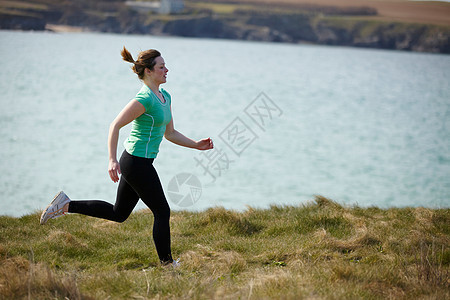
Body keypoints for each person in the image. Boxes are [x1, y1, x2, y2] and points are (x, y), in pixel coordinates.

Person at [40, 46, 213, 266]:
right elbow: (115, 125)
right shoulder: (144, 99)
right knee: (162, 210)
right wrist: (112, 160)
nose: (167, 70)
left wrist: (196, 145)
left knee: (119, 213)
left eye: (165, 66)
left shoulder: (165, 97)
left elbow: (170, 133)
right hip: (135, 163)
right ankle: (168, 264)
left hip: (141, 162)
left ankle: (65, 205)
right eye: (161, 67)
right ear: (149, 71)